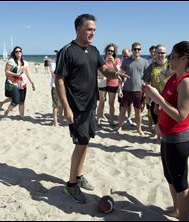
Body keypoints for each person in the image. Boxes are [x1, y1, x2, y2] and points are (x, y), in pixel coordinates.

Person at [55, 14, 128, 204]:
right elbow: (59, 79)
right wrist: (66, 107)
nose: (92, 33)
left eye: (94, 30)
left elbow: (104, 70)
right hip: (76, 106)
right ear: (78, 29)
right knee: (80, 143)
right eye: (89, 29)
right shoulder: (67, 51)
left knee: (85, 142)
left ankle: (78, 177)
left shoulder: (94, 50)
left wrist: (117, 72)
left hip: (90, 105)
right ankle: (71, 185)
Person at [143, 41, 189, 221]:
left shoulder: (188, 82)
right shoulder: (174, 77)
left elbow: (181, 115)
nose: (169, 59)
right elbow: (169, 103)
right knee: (170, 178)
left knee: (181, 184)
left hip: (179, 139)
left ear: (184, 59)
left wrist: (159, 99)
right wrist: (158, 107)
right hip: (168, 138)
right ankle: (177, 210)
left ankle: (184, 218)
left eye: (173, 56)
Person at [117, 42, 149, 135]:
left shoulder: (144, 62)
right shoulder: (126, 61)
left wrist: (146, 91)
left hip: (138, 90)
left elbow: (147, 78)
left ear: (141, 50)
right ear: (132, 50)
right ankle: (119, 127)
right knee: (122, 109)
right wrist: (119, 89)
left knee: (138, 111)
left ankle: (139, 129)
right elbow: (121, 76)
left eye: (139, 49)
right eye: (135, 49)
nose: (137, 51)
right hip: (126, 89)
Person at [142, 44, 172, 137]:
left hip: (168, 97)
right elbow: (146, 81)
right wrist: (146, 92)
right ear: (155, 54)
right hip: (154, 97)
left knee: (167, 118)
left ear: (166, 54)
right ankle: (159, 136)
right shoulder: (151, 66)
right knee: (156, 119)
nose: (160, 55)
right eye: (158, 53)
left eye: (162, 53)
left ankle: (165, 136)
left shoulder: (170, 65)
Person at [3, 46, 35, 119]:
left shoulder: (25, 63)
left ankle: (22, 116)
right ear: (14, 53)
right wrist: (15, 75)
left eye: (20, 51)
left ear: (22, 52)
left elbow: (27, 73)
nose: (18, 52)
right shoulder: (11, 61)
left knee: (22, 101)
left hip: (23, 83)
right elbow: (6, 72)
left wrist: (32, 82)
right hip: (13, 83)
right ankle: (7, 111)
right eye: (16, 51)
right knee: (16, 100)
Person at [96, 43, 121, 126]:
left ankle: (111, 120)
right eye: (108, 50)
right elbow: (99, 69)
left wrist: (113, 62)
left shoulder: (117, 60)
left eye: (112, 51)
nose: (110, 52)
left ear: (114, 52)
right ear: (106, 51)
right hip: (103, 82)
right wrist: (106, 61)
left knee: (111, 103)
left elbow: (117, 72)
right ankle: (98, 119)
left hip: (113, 82)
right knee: (101, 101)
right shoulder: (102, 59)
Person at [119, 48, 135, 126]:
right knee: (121, 104)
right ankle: (121, 119)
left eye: (126, 56)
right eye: (124, 55)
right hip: (122, 85)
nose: (125, 57)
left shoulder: (131, 61)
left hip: (130, 86)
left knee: (130, 104)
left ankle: (129, 118)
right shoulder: (121, 61)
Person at [50, 51, 63, 127]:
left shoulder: (64, 63)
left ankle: (60, 118)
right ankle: (55, 121)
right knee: (56, 105)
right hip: (55, 86)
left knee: (62, 104)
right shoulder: (53, 63)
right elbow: (54, 74)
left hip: (63, 86)